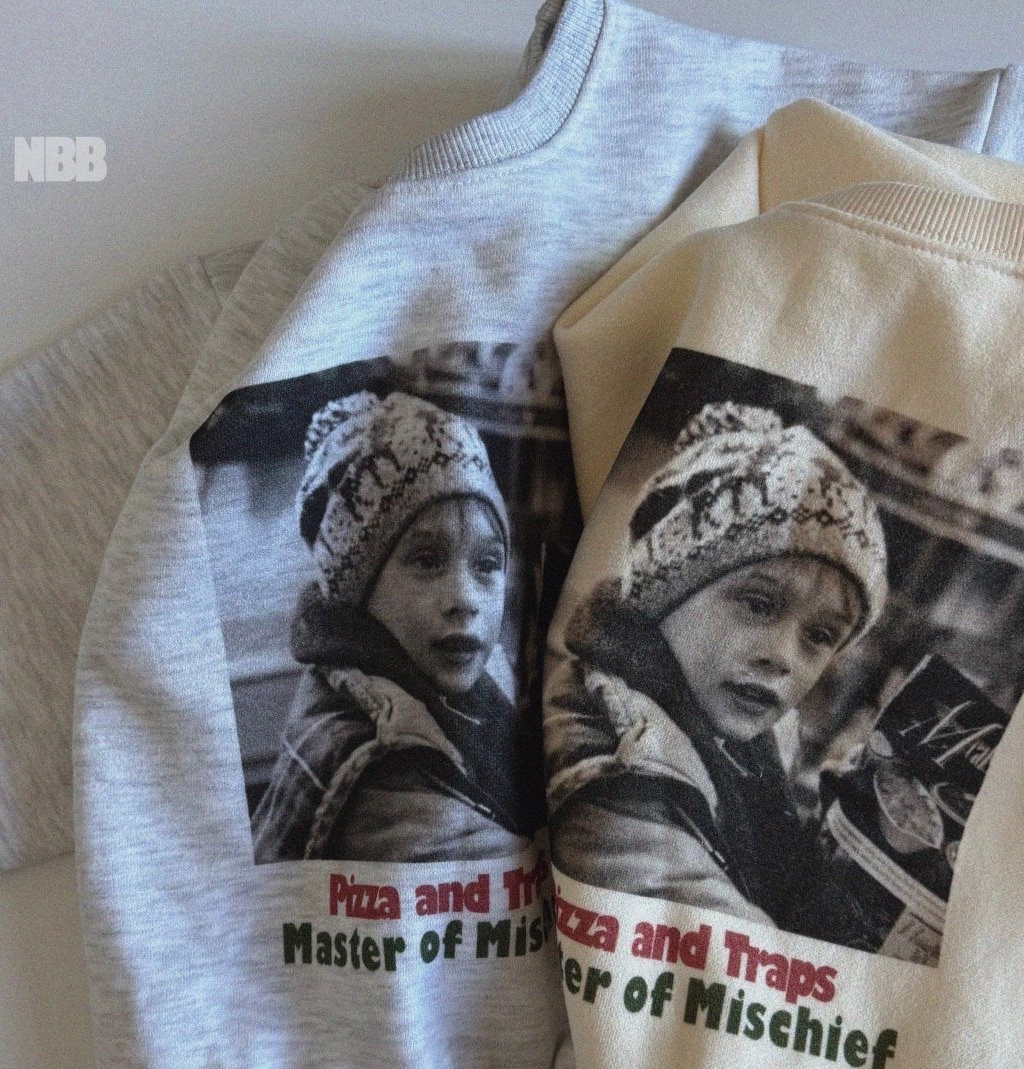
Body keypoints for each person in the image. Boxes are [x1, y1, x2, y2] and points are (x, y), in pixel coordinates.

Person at [544, 401, 889, 928]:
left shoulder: (745, 740)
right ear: (665, 590)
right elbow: (738, 951)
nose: (782, 657)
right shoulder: (616, 764)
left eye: (820, 636)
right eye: (758, 604)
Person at [252, 389, 542, 863]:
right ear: (358, 590)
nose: (465, 600)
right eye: (427, 561)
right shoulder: (380, 764)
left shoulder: (441, 692)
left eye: (487, 563)